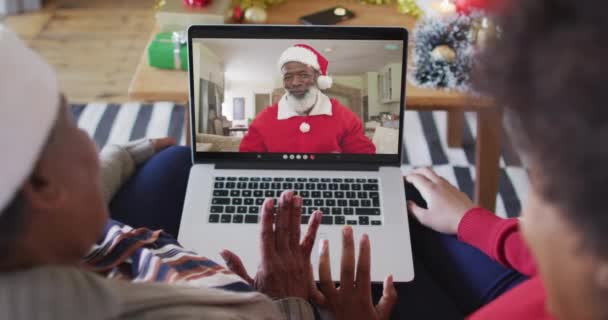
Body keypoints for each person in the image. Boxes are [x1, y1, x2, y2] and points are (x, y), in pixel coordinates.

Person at [0, 25, 398, 320]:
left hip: (136, 244)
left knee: (178, 158)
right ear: (42, 184)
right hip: (276, 293)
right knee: (382, 271)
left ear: (317, 78)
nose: (92, 142)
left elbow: (361, 153)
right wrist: (288, 301)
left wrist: (123, 153)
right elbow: (248, 153)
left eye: (303, 74)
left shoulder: (39, 230)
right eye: (73, 127)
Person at [313, 0, 608, 319]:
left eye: (544, 191)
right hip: (536, 282)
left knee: (355, 267)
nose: (525, 216)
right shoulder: (587, 274)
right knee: (406, 198)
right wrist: (472, 221)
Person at [239, 44, 376, 154]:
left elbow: (365, 159)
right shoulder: (263, 120)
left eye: (303, 75)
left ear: (319, 78)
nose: (295, 82)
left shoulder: (346, 118)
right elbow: (246, 163)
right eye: (288, 77)